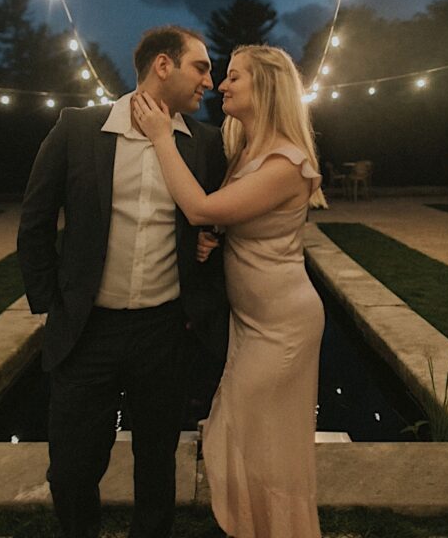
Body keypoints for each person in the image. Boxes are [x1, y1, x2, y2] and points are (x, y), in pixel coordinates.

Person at [17, 25, 228, 538]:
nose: (210, 81)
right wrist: (52, 303)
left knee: (156, 467)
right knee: (70, 468)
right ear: (163, 65)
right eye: (200, 67)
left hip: (164, 332)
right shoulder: (77, 129)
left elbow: (220, 221)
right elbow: (35, 220)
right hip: (87, 331)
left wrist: (211, 242)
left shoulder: (204, 144)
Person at [133, 44, 325, 538]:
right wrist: (212, 241)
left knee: (260, 445)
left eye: (234, 77)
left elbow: (200, 206)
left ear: (265, 86)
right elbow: (227, 218)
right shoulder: (245, 150)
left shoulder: (287, 162)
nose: (222, 85)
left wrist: (161, 138)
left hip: (283, 325)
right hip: (250, 324)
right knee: (238, 434)